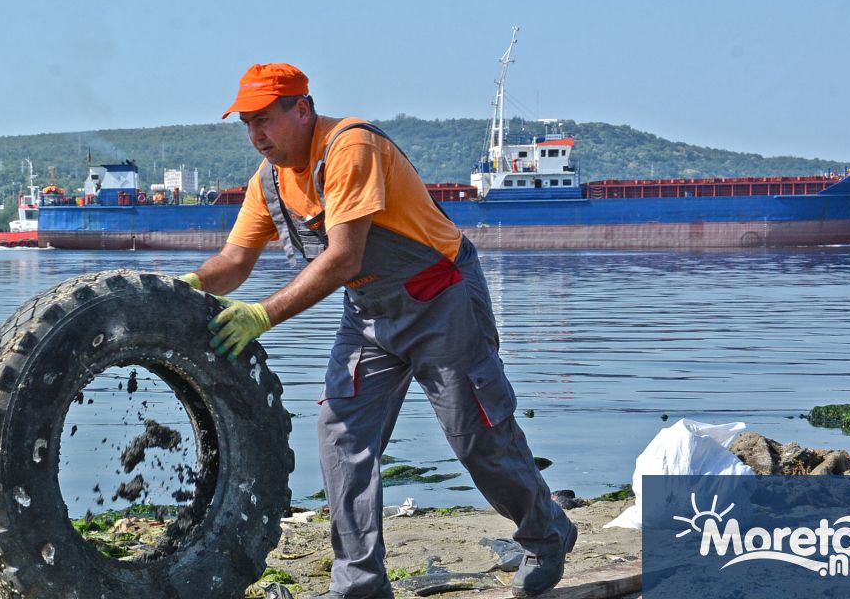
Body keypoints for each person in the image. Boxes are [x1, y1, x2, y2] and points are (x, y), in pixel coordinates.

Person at [177, 63, 576, 599]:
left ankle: (546, 533)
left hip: (440, 299)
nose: (256, 135)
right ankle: (360, 585)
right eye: (247, 123)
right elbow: (234, 260)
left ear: (303, 108)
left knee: (477, 436)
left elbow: (343, 257)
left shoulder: (350, 146)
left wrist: (262, 315)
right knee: (341, 434)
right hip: (367, 313)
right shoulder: (268, 182)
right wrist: (184, 287)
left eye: (265, 119)